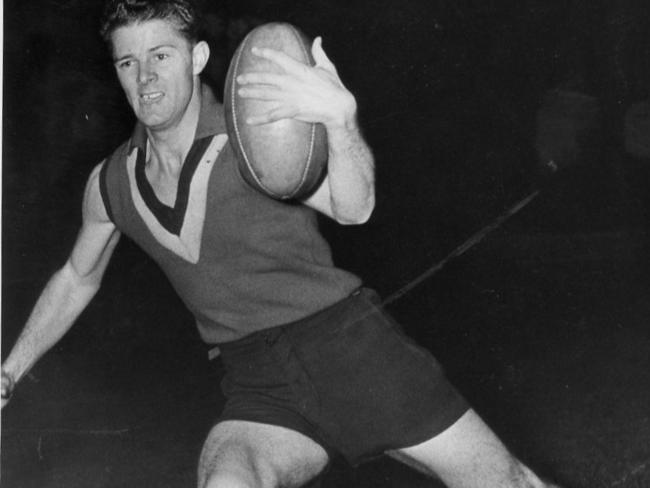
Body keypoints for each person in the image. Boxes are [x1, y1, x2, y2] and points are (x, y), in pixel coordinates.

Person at [1, 1, 561, 487]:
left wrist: (340, 123)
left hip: (347, 347)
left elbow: (354, 207)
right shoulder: (111, 184)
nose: (144, 76)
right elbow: (77, 277)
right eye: (128, 61)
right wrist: (8, 372)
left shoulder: (253, 136)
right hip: (255, 379)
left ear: (196, 60)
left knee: (508, 482)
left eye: (161, 55)